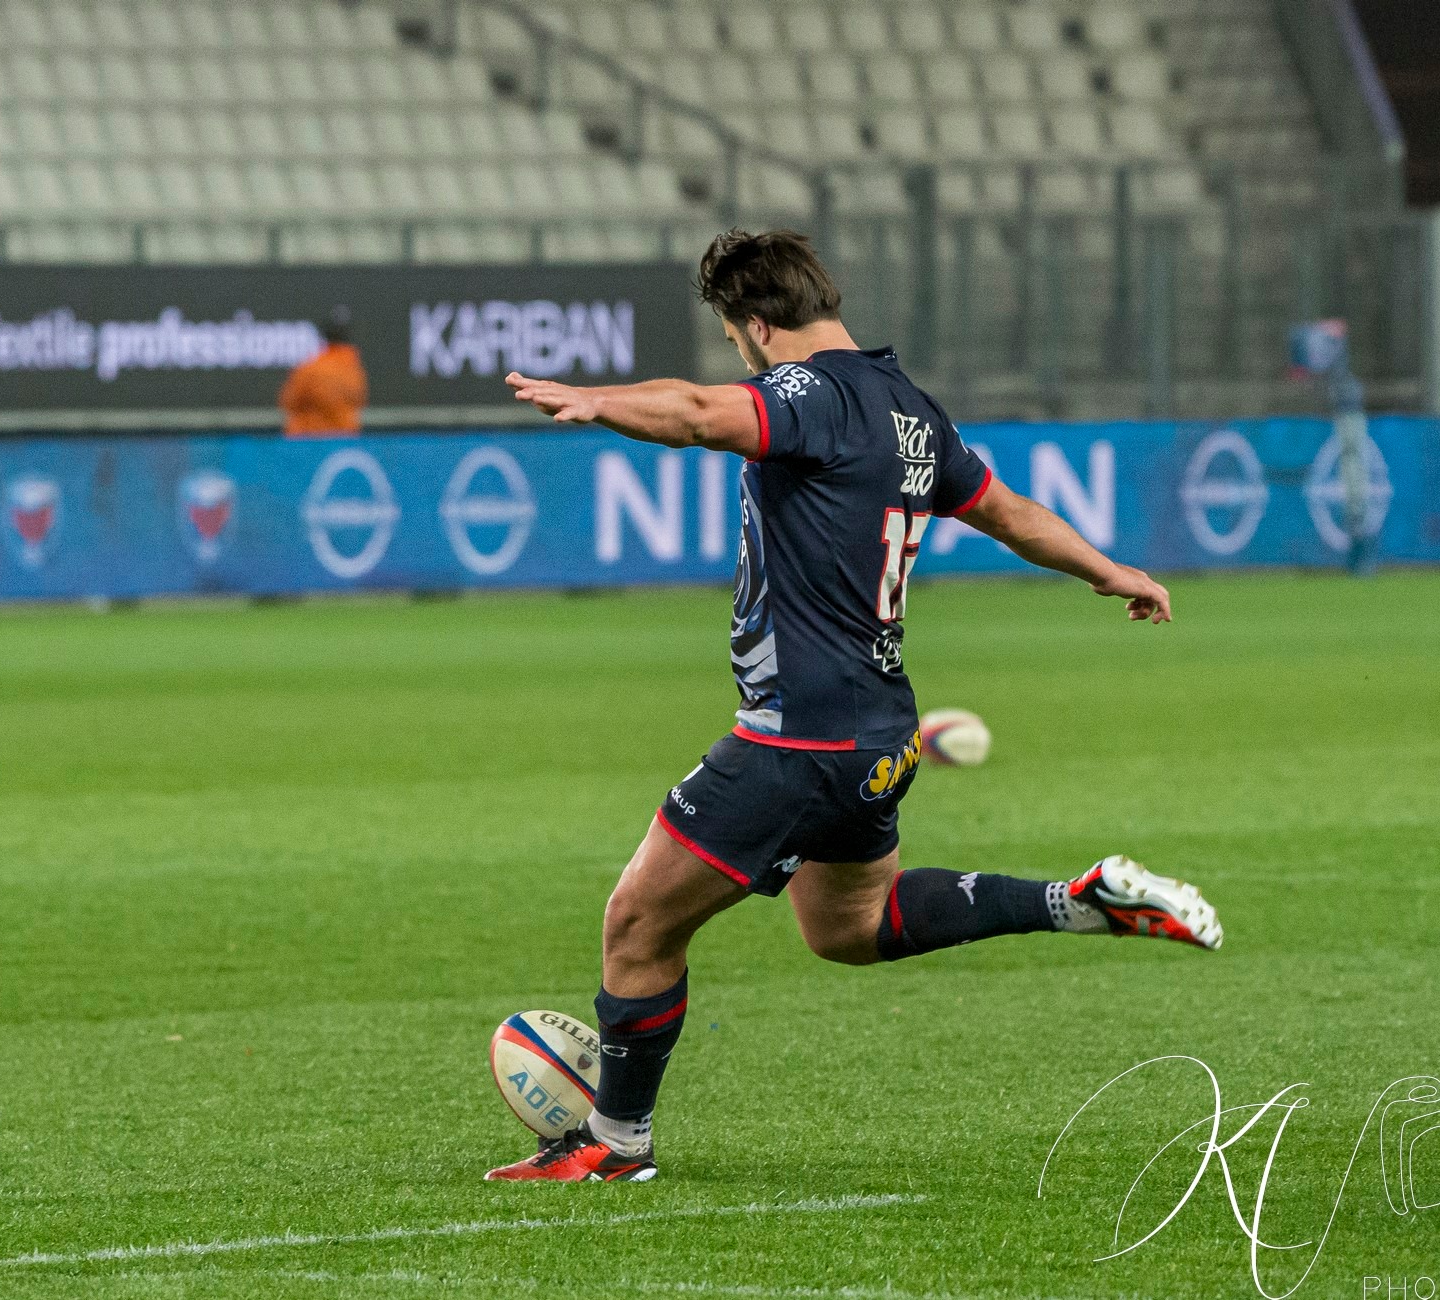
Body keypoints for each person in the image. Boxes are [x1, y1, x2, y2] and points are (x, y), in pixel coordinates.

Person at [489, 229, 1223, 1183]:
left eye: (733, 333)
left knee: (637, 924)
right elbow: (1005, 511)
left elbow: (702, 412)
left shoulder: (811, 395)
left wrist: (599, 402)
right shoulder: (911, 410)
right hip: (878, 736)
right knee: (850, 928)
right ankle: (1074, 903)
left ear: (756, 327)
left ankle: (616, 1143)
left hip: (798, 738)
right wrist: (1109, 568)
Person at [280, 309, 369, 436]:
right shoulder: (354, 371)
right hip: (342, 443)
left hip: (307, 442)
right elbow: (361, 401)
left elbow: (288, 401)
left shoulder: (310, 368)